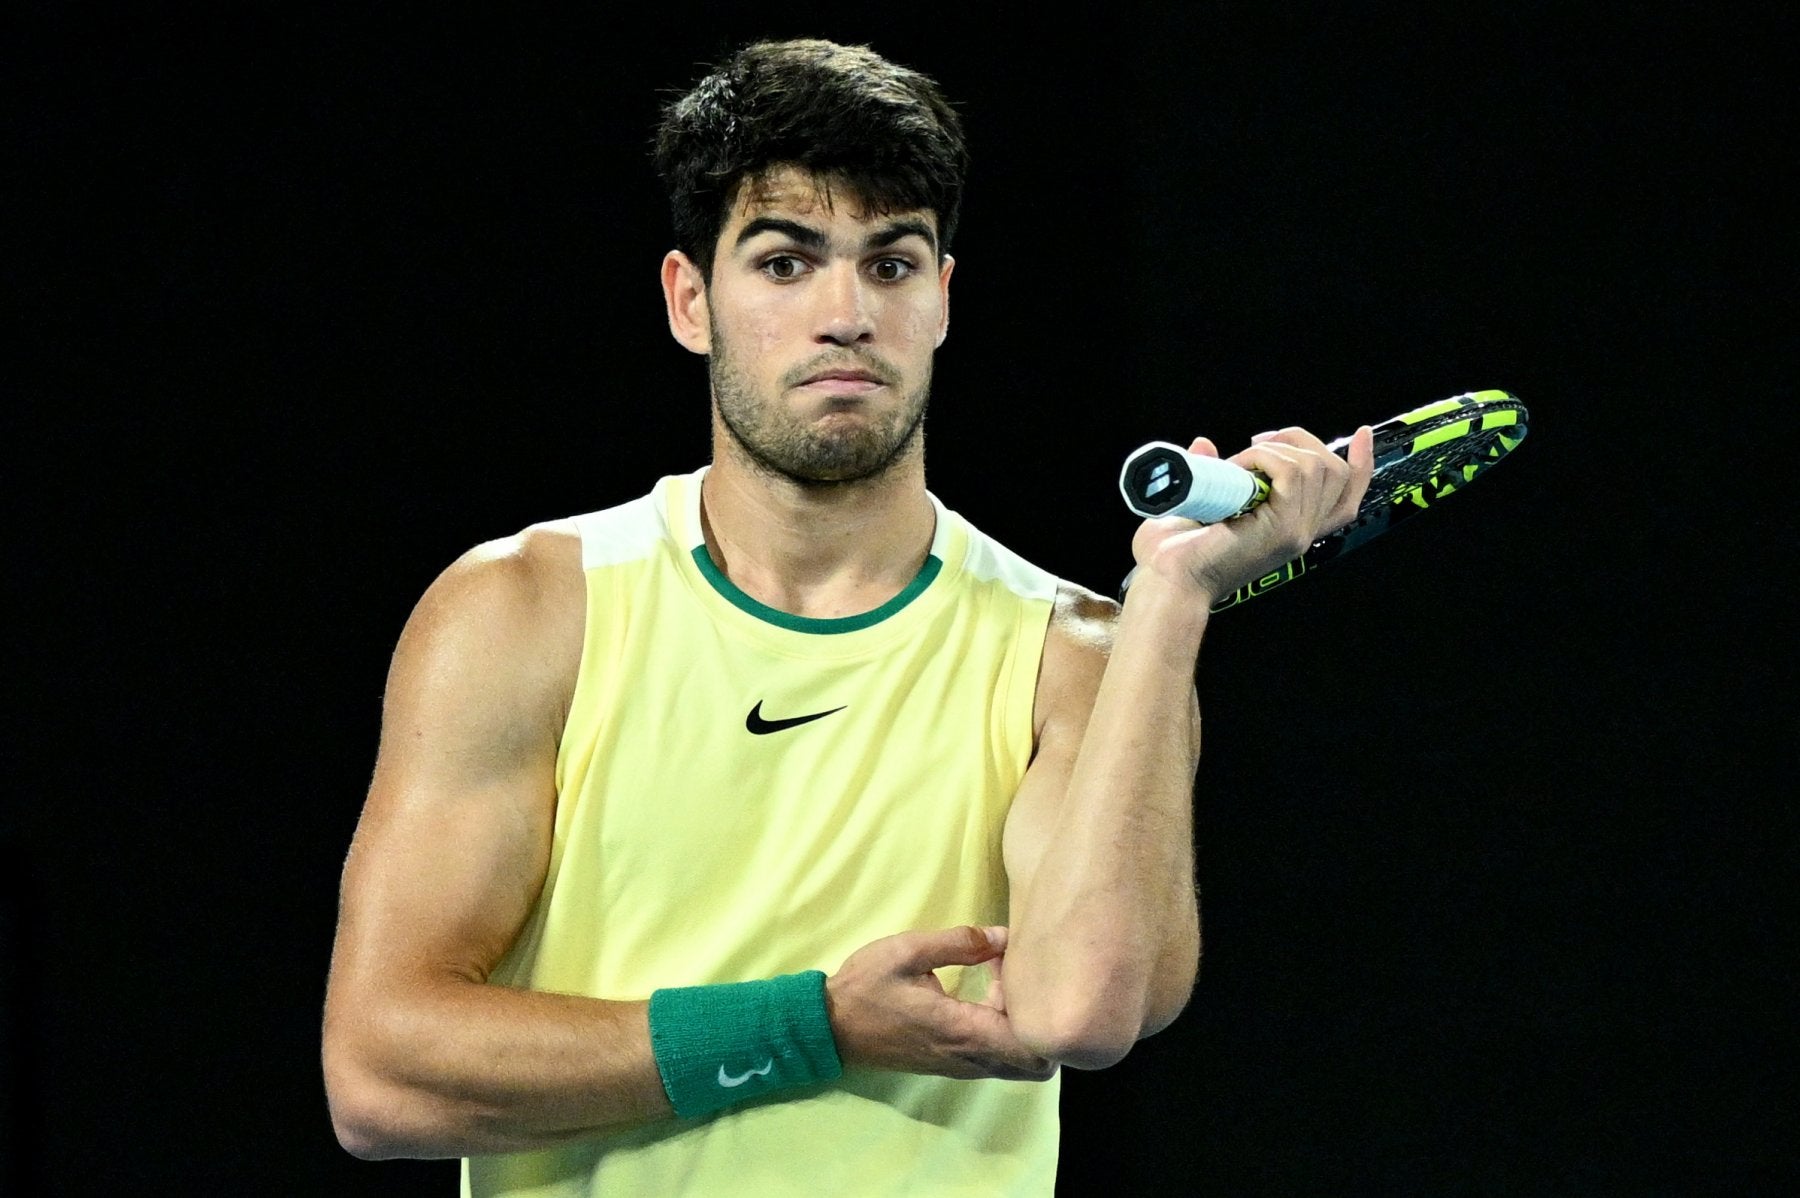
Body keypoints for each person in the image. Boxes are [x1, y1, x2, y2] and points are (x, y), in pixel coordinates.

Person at [320, 36, 1372, 1196]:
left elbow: (1082, 1010)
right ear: (690, 301)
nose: (845, 314)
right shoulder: (522, 611)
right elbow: (379, 1077)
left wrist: (1171, 598)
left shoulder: (1073, 654)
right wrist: (815, 1024)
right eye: (784, 263)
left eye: (890, 265)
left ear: (942, 301)